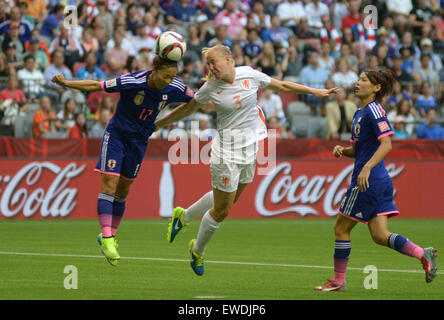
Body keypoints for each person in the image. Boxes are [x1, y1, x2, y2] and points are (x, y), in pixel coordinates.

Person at [154, 44, 337, 276]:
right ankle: (197, 250)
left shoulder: (249, 73)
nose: (211, 67)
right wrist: (159, 123)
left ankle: (183, 215)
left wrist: (315, 91)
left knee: (227, 200)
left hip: (251, 148)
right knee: (222, 210)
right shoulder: (210, 87)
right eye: (208, 64)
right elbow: (187, 109)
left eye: (214, 62)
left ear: (229, 59)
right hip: (226, 152)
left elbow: (281, 85)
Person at [51, 55, 197, 267]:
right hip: (117, 136)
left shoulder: (175, 87)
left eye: (172, 77)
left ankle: (109, 236)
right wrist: (65, 83)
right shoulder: (132, 81)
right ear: (154, 69)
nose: (168, 81)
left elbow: (197, 100)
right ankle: (108, 239)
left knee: (123, 191)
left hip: (139, 142)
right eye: (165, 76)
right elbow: (95, 85)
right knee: (109, 183)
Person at [314, 68, 438, 292]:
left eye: (363, 80)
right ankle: (423, 254)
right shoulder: (359, 113)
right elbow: (359, 149)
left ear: (376, 87)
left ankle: (339, 282)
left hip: (367, 181)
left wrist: (367, 168)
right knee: (380, 235)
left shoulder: (373, 109)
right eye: (358, 79)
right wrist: (344, 150)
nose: (358, 83)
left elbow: (387, 144)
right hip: (378, 181)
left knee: (341, 228)